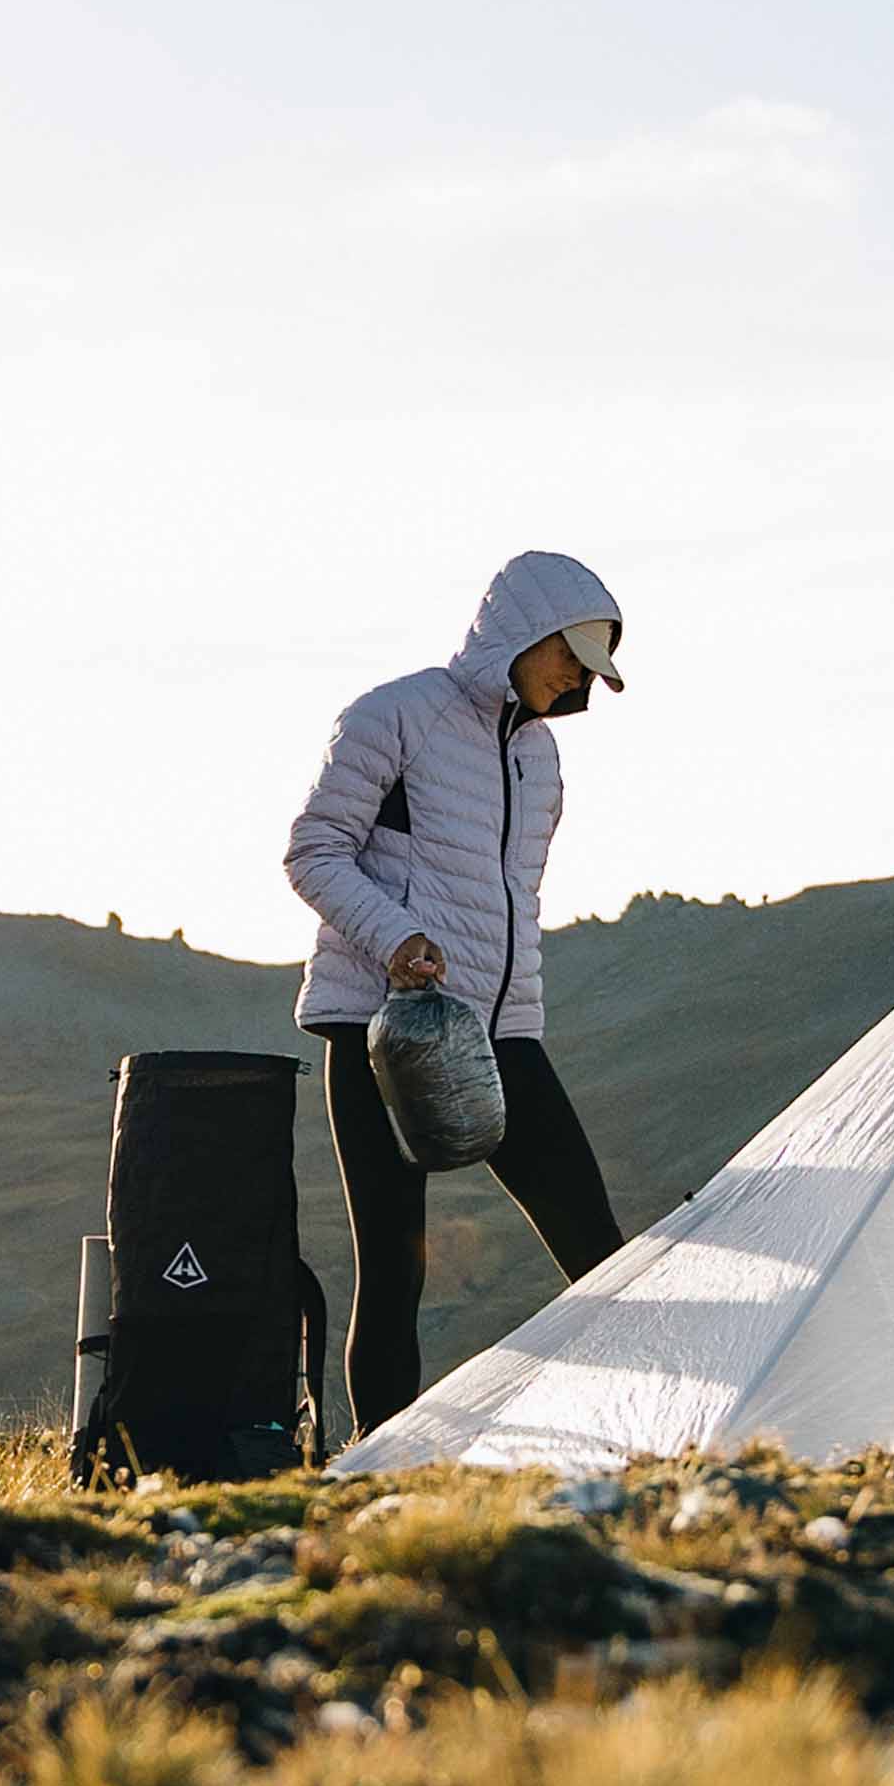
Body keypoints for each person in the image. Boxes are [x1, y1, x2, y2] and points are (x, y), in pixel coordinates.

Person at [285, 551, 630, 1440]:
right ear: (520, 631)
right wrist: (396, 939)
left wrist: (522, 1014)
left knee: (596, 1246)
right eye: (568, 655)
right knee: (395, 1269)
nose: (575, 678)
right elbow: (313, 850)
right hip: (380, 1028)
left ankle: (646, 1435)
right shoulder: (394, 715)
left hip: (502, 1033)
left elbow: (519, 905)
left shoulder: (541, 759)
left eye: (589, 667)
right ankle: (380, 1471)